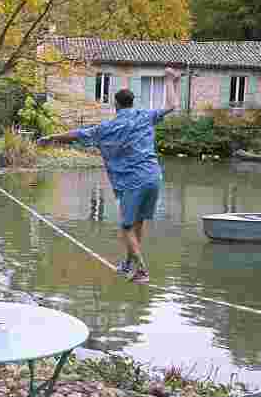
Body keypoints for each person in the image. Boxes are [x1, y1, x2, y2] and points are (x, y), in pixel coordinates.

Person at [38, 67, 181, 284]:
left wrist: (50, 137)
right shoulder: (145, 116)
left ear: (116, 104)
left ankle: (141, 271)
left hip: (132, 182)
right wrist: (171, 80)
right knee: (138, 223)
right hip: (153, 177)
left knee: (125, 227)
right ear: (133, 102)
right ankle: (129, 263)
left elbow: (76, 135)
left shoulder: (108, 127)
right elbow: (172, 106)